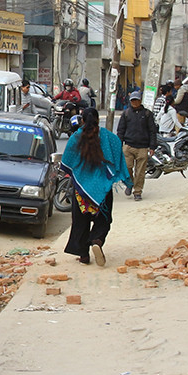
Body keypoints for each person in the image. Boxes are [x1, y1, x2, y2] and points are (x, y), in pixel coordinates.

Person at [60, 108, 131, 267]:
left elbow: (67, 161)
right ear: (98, 120)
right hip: (102, 188)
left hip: (81, 190)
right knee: (104, 219)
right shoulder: (108, 137)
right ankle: (97, 240)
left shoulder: (75, 138)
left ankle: (84, 256)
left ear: (82, 120)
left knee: (80, 222)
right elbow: (118, 149)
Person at [116, 90, 158, 201]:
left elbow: (152, 131)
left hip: (142, 147)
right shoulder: (126, 114)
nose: (135, 102)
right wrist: (119, 145)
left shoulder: (147, 114)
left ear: (140, 101)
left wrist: (152, 147)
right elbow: (120, 131)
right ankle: (129, 183)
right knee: (127, 168)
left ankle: (138, 191)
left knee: (140, 172)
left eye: (136, 100)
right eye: (133, 100)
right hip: (128, 146)